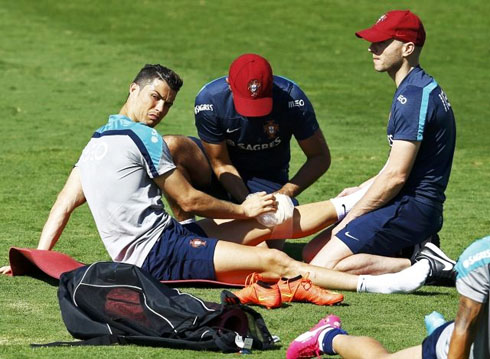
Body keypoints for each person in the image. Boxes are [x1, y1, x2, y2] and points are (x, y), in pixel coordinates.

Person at [0, 64, 450, 307]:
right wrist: (244, 209)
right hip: (158, 255)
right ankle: (383, 286)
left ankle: (347, 201)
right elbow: (190, 199)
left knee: (271, 218)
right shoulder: (143, 138)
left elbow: (63, 205)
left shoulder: (95, 142)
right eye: (154, 96)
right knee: (272, 258)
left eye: (167, 102)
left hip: (169, 237)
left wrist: (38, 257)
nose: (159, 108)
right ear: (132, 90)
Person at [302, 10, 457, 276]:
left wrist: (351, 218)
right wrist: (362, 188)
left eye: (383, 42)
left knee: (321, 268)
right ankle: (412, 249)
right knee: (310, 253)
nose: (373, 48)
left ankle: (424, 265)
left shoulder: (413, 98)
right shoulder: (417, 88)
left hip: (412, 208)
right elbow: (400, 166)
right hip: (406, 201)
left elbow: (397, 176)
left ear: (408, 48)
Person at [162, 54, 330, 234]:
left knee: (267, 248)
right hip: (221, 173)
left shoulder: (293, 99)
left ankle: (226, 225)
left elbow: (319, 157)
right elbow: (221, 163)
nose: (253, 114)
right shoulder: (209, 101)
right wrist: (248, 202)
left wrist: (284, 193)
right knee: (171, 146)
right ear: (229, 84)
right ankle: (188, 232)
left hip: (267, 182)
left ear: (271, 84)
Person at [286, 235, 490, 359]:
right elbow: (464, 329)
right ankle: (328, 337)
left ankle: (440, 328)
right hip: (457, 349)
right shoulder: (481, 259)